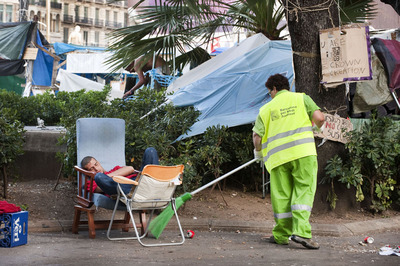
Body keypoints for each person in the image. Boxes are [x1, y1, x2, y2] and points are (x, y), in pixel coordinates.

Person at [252, 74, 325, 249]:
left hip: (278, 159)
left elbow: (257, 137)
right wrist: (315, 128)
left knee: (281, 196)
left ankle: (281, 234)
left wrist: (258, 153)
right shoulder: (302, 98)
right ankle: (301, 232)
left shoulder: (265, 109)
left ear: (275, 89)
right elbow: (320, 118)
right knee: (303, 191)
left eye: (269, 91)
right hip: (303, 154)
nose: (270, 94)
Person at [81, 147, 159, 196]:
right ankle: (145, 188)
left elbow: (130, 169)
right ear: (87, 172)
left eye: (96, 164)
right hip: (123, 190)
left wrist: (109, 176)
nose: (96, 169)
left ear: (99, 162)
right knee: (99, 177)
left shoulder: (115, 169)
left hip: (140, 181)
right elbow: (101, 187)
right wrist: (109, 178)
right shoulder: (91, 183)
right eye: (91, 169)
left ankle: (155, 186)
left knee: (150, 151)